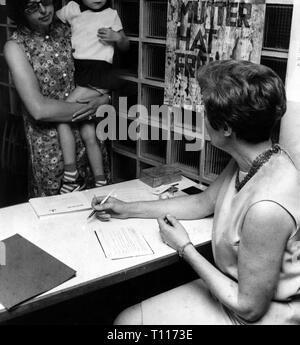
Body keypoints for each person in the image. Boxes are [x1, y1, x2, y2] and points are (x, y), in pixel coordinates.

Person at [93, 60, 300, 325]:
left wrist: (184, 247)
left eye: (205, 111)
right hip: (235, 289)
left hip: (262, 315)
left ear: (226, 128)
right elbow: (203, 203)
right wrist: (127, 208)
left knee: (127, 323)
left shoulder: (267, 207)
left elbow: (249, 308)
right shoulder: (257, 158)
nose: (201, 117)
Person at [3, 0, 111, 198]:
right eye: (32, 7)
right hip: (52, 154)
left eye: (46, 0)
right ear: (20, 11)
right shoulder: (16, 46)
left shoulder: (70, 28)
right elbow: (40, 109)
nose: (43, 10)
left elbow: (99, 68)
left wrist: (105, 97)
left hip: (90, 141)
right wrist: (93, 106)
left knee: (101, 211)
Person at [55, 0, 129, 193]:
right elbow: (54, 23)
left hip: (99, 75)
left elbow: (126, 45)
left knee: (61, 115)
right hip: (82, 73)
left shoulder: (111, 14)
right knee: (88, 133)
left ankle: (70, 175)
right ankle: (100, 182)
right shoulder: (73, 10)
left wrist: (117, 39)